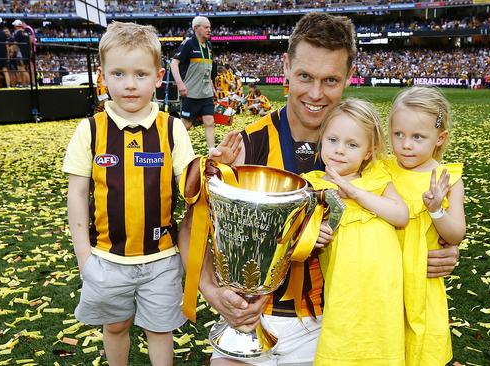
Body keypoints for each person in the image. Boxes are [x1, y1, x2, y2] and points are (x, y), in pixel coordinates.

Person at [200, 12, 459, 365]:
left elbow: (411, 213)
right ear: (286, 65)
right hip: (254, 314)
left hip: (333, 321)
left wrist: (439, 248)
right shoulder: (250, 145)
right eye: (305, 76)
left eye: (331, 80)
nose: (316, 94)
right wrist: (212, 291)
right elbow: (198, 223)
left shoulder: (370, 158)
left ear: (348, 77)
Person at [63, 22, 194, 366]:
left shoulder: (172, 128)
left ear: (158, 76)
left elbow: (190, 185)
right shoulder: (90, 129)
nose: (130, 84)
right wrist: (83, 257)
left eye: (140, 73)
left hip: (161, 259)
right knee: (116, 325)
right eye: (118, 73)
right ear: (103, 75)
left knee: (160, 331)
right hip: (107, 259)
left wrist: (214, 168)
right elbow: (77, 194)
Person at [303, 99, 407, 365]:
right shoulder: (313, 185)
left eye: (352, 145)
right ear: (322, 140)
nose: (340, 151)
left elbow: (400, 215)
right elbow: (300, 234)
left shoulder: (375, 179)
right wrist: (315, 233)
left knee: (382, 344)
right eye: (333, 140)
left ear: (369, 152)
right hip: (344, 288)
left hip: (384, 287)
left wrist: (355, 193)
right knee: (342, 342)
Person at [383, 86, 466, 366]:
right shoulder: (382, 169)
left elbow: (456, 233)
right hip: (385, 280)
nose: (406, 145)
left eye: (418, 137)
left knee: (420, 348)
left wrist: (436, 211)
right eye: (399, 135)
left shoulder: (447, 179)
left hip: (423, 283)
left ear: (439, 138)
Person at [170, 16, 217, 149]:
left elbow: (207, 69)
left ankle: (212, 150)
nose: (209, 30)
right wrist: (180, 84)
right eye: (206, 27)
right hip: (191, 93)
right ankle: (172, 146)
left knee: (209, 121)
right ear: (196, 28)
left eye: (210, 27)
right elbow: (174, 63)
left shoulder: (209, 46)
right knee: (186, 124)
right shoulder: (188, 44)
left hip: (206, 93)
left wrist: (212, 86)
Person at [12, 20, 36, 85]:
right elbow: (30, 42)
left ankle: (30, 83)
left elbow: (15, 44)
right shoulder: (25, 32)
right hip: (27, 53)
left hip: (21, 54)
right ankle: (27, 83)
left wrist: (12, 51)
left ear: (16, 26)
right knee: (25, 68)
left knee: (21, 69)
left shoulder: (17, 33)